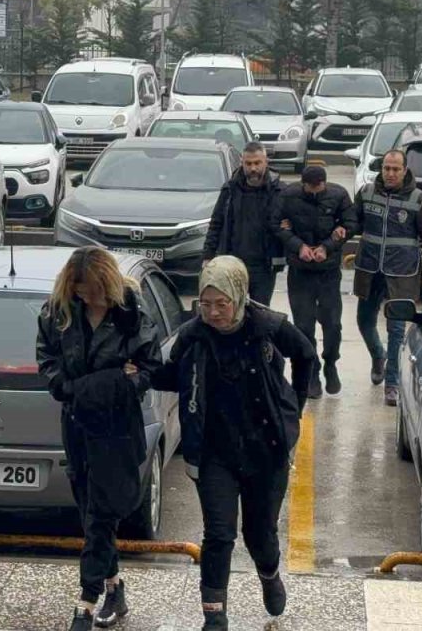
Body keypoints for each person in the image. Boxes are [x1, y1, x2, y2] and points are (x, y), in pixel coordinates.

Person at [153, 256, 316, 631]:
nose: (213, 312)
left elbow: (306, 355)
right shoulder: (193, 335)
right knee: (219, 533)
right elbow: (172, 376)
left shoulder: (269, 326)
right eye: (205, 304)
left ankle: (269, 574)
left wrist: (295, 406)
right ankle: (214, 613)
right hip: (215, 452)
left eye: (221, 303)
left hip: (266, 449)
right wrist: (136, 370)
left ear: (238, 297)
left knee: (259, 533)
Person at [35, 247, 164, 631]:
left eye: (93, 290)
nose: (87, 297)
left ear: (107, 283)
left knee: (101, 516)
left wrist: (127, 381)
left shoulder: (132, 313)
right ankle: (114, 586)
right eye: (80, 290)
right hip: (77, 423)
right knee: (90, 509)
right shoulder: (57, 313)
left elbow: (148, 367)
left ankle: (86, 601)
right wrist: (82, 386)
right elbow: (47, 363)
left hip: (117, 427)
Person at [353, 149, 422, 406]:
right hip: (370, 270)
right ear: (382, 169)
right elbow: (351, 224)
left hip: (402, 274)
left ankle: (392, 384)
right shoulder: (366, 193)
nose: (390, 174)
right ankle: (378, 356)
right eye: (387, 169)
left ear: (404, 171)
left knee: (396, 330)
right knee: (364, 321)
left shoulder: (419, 200)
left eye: (396, 169)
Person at [272, 165, 357, 398]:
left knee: (333, 324)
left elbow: (351, 223)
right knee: (304, 326)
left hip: (328, 272)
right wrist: (297, 246)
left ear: (325, 183)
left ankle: (331, 362)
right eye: (310, 188)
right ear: (303, 184)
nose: (315, 191)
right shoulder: (289, 196)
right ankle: (313, 373)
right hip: (300, 272)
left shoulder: (338, 195)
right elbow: (275, 224)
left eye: (319, 187)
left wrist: (328, 246)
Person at [203, 141, 285, 305]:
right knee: (232, 309)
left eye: (257, 163)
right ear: (242, 163)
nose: (253, 168)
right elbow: (216, 223)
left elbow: (291, 224)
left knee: (260, 310)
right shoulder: (230, 189)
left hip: (264, 265)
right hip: (232, 263)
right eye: (248, 163)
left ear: (266, 162)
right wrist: (207, 256)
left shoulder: (280, 191)